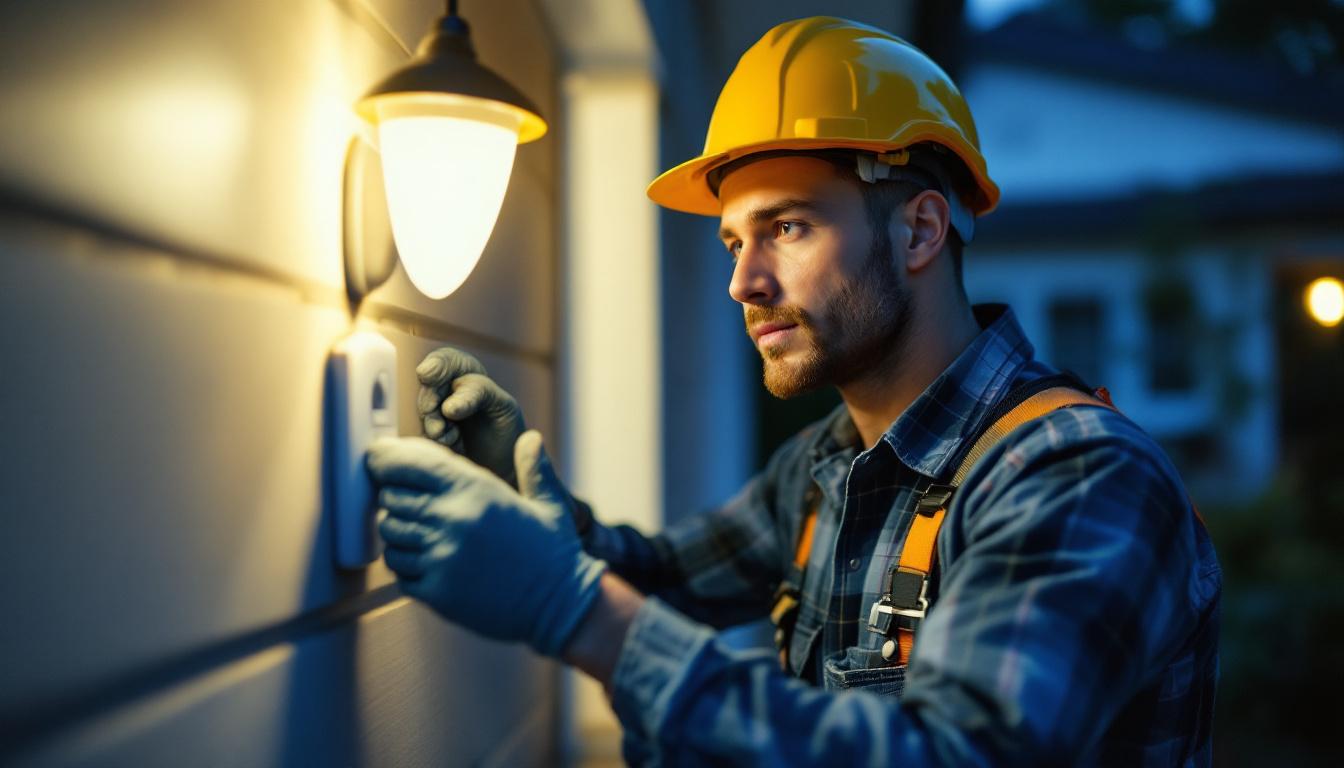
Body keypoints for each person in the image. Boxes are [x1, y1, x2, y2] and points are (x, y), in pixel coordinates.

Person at [365, 16, 1221, 766]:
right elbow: (664, 580)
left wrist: (572, 606)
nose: (744, 282)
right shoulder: (824, 468)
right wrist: (532, 513)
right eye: (733, 242)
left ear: (920, 229)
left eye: (787, 227)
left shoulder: (1076, 477)